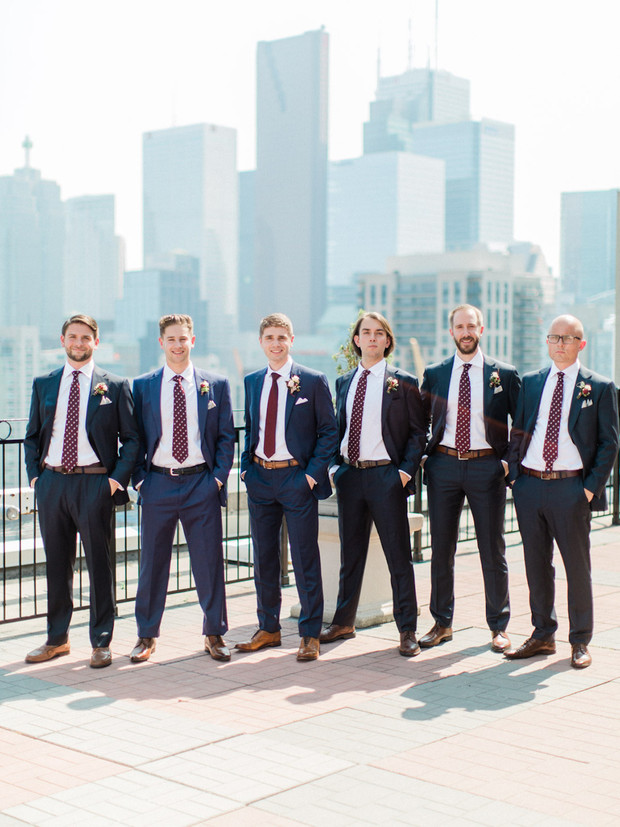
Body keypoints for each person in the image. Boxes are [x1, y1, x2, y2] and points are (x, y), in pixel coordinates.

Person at [24, 314, 139, 668]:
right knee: (57, 565)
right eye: (72, 336)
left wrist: (113, 481)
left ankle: (101, 641)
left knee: (99, 565)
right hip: (53, 483)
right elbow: (31, 436)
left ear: (96, 342)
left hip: (94, 483)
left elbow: (133, 440)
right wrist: (35, 479)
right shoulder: (44, 383)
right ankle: (57, 639)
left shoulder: (115, 385)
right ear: (63, 341)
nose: (78, 342)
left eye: (85, 337)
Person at [505, 314, 619, 669]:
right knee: (536, 565)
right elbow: (519, 430)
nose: (560, 344)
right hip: (530, 485)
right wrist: (515, 479)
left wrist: (587, 490)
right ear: (547, 342)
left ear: (581, 344)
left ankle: (580, 640)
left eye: (568, 338)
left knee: (577, 567)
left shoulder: (599, 387)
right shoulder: (532, 382)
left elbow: (609, 444)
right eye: (554, 337)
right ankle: (542, 634)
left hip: (571, 488)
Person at [130, 314, 235, 663]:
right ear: (161, 343)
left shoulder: (215, 384)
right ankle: (146, 636)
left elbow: (225, 436)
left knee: (208, 563)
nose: (177, 345)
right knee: (153, 564)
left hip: (200, 484)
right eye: (171, 339)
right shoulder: (143, 385)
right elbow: (132, 439)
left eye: (183, 338)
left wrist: (217, 480)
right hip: (158, 482)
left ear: (194, 340)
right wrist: (141, 481)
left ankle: (215, 633)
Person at [320, 312, 427, 656]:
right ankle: (344, 621)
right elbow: (338, 429)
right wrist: (336, 469)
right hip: (351, 476)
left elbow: (417, 433)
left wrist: (404, 474)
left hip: (386, 477)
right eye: (365, 333)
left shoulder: (403, 381)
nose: (371, 338)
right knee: (350, 555)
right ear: (356, 340)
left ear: (387, 341)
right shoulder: (344, 382)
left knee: (398, 556)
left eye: (378, 333)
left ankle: (407, 629)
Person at [419, 304, 520, 652]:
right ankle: (442, 623)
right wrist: (424, 460)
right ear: (451, 332)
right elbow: (419, 420)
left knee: (492, 549)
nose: (466, 332)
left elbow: (521, 425)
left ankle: (498, 627)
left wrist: (507, 464)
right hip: (444, 466)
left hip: (487, 468)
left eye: (471, 326)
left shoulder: (503, 374)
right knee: (441, 550)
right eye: (459, 326)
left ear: (481, 330)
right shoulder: (435, 373)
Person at [237, 313, 338, 661]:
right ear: (261, 342)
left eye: (282, 337)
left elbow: (329, 431)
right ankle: (268, 627)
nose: (276, 343)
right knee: (263, 558)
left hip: (297, 479)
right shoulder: (252, 381)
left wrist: (310, 475)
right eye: (269, 337)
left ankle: (310, 634)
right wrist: (247, 470)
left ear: (291, 340)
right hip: (261, 479)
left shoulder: (312, 380)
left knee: (304, 557)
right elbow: (250, 427)